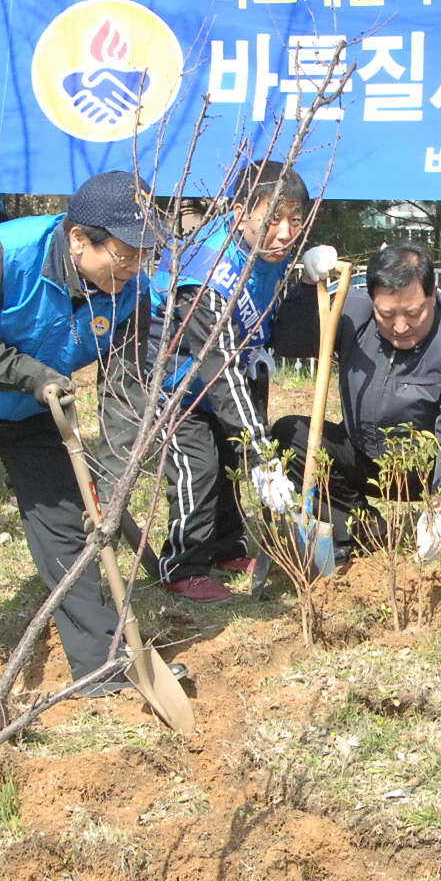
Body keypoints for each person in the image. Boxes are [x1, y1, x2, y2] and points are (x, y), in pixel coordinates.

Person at [0, 171, 185, 693]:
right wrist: (32, 375)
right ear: (79, 239)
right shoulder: (5, 254)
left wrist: (120, 482)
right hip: (29, 386)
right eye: (124, 254)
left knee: (66, 529)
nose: (134, 267)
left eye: (144, 255)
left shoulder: (131, 291)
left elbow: (126, 390)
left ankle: (98, 664)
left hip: (31, 412)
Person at [271, 242, 441, 564]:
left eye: (414, 312)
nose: (400, 327)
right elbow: (290, 342)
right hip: (364, 456)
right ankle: (364, 526)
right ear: (372, 298)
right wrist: (308, 286)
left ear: (433, 294)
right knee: (289, 433)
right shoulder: (352, 309)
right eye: (387, 314)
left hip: (425, 467)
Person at [147, 160, 312, 604]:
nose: (285, 232)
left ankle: (227, 549)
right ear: (241, 212)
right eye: (273, 218)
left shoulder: (269, 251)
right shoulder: (208, 268)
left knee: (229, 464)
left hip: (234, 370)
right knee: (198, 468)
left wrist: (311, 284)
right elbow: (216, 366)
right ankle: (183, 566)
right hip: (180, 384)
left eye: (296, 221)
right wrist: (263, 452)